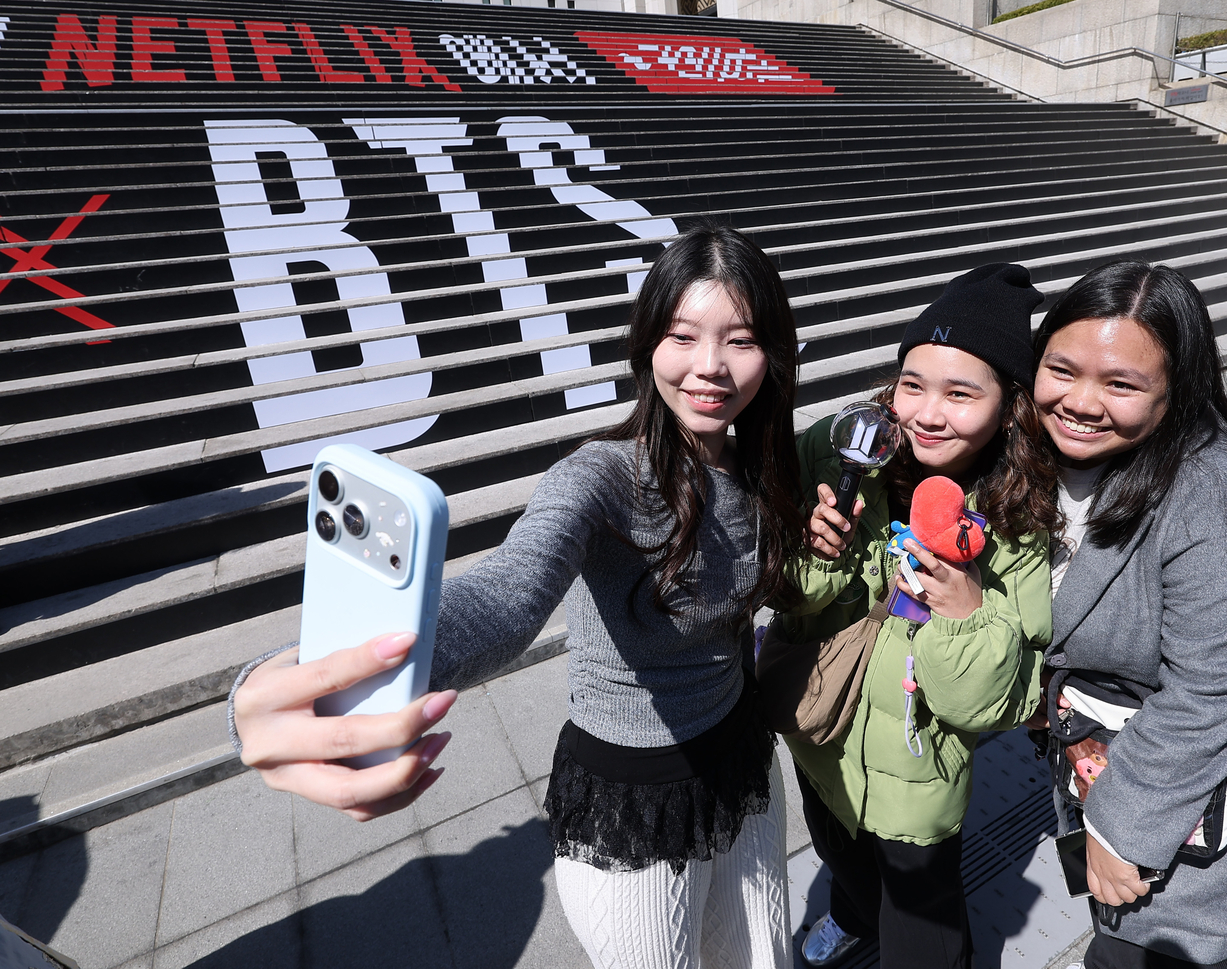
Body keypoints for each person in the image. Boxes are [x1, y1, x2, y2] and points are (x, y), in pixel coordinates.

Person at [230, 223, 808, 969]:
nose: (709, 367)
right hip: (635, 805)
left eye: (740, 340)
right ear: (646, 346)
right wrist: (289, 680)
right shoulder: (598, 478)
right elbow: (504, 601)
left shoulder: (764, 466)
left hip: (745, 764)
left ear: (773, 354)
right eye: (681, 335)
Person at [1032, 261, 1227, 969]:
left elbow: (1215, 687)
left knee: (1159, 950)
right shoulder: (1044, 453)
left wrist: (1119, 830)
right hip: (1128, 735)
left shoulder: (1217, 488)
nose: (1081, 402)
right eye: (1063, 369)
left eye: (1120, 383)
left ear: (1177, 391)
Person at [781, 264, 1062, 969]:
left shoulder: (1017, 520)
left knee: (926, 925)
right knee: (837, 850)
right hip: (824, 732)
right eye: (913, 383)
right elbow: (786, 590)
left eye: (961, 393)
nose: (926, 413)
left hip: (920, 771)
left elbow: (996, 701)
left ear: (1008, 406)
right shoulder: (843, 450)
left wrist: (966, 610)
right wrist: (816, 550)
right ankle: (851, 914)